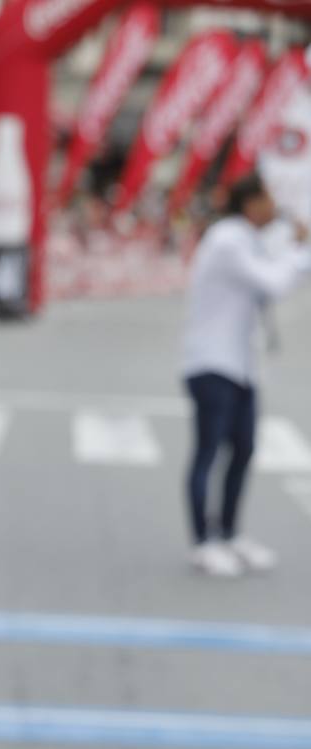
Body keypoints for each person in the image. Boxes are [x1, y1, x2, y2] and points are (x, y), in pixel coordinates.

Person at [182, 173, 310, 577]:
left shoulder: (246, 240)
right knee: (208, 452)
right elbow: (273, 282)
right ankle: (203, 542)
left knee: (243, 450)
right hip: (212, 363)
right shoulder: (227, 239)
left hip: (240, 365)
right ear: (251, 203)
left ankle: (231, 533)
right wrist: (300, 248)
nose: (275, 208)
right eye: (269, 200)